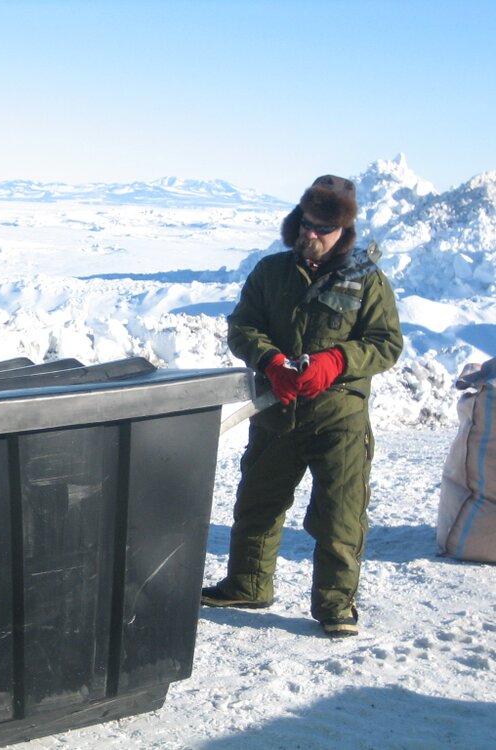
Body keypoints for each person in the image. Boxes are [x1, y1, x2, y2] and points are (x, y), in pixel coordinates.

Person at [201, 175, 403, 638]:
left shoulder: (367, 282)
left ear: (343, 234)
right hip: (278, 410)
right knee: (257, 503)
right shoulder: (270, 272)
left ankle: (335, 605)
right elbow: (242, 326)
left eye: (322, 230)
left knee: (339, 514)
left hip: (339, 419)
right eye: (306, 225)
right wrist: (270, 360)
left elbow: (387, 344)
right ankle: (247, 584)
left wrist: (338, 360)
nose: (310, 236)